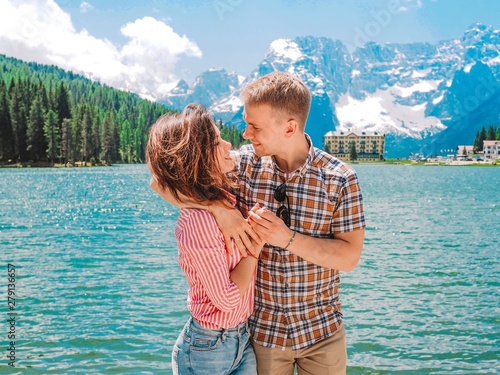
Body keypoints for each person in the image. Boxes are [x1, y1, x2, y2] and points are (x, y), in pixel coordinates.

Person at [158, 72, 366, 375]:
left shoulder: (339, 178)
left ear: (289, 128)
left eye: (254, 126)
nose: (245, 134)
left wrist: (288, 238)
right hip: (262, 336)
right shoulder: (242, 168)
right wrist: (219, 208)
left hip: (322, 332)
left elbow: (349, 257)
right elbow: (159, 183)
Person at [146, 103, 264, 375]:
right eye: (216, 140)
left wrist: (217, 206)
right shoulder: (198, 222)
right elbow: (226, 299)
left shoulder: (224, 195)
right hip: (207, 348)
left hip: (240, 339)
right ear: (194, 157)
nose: (228, 144)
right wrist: (253, 252)